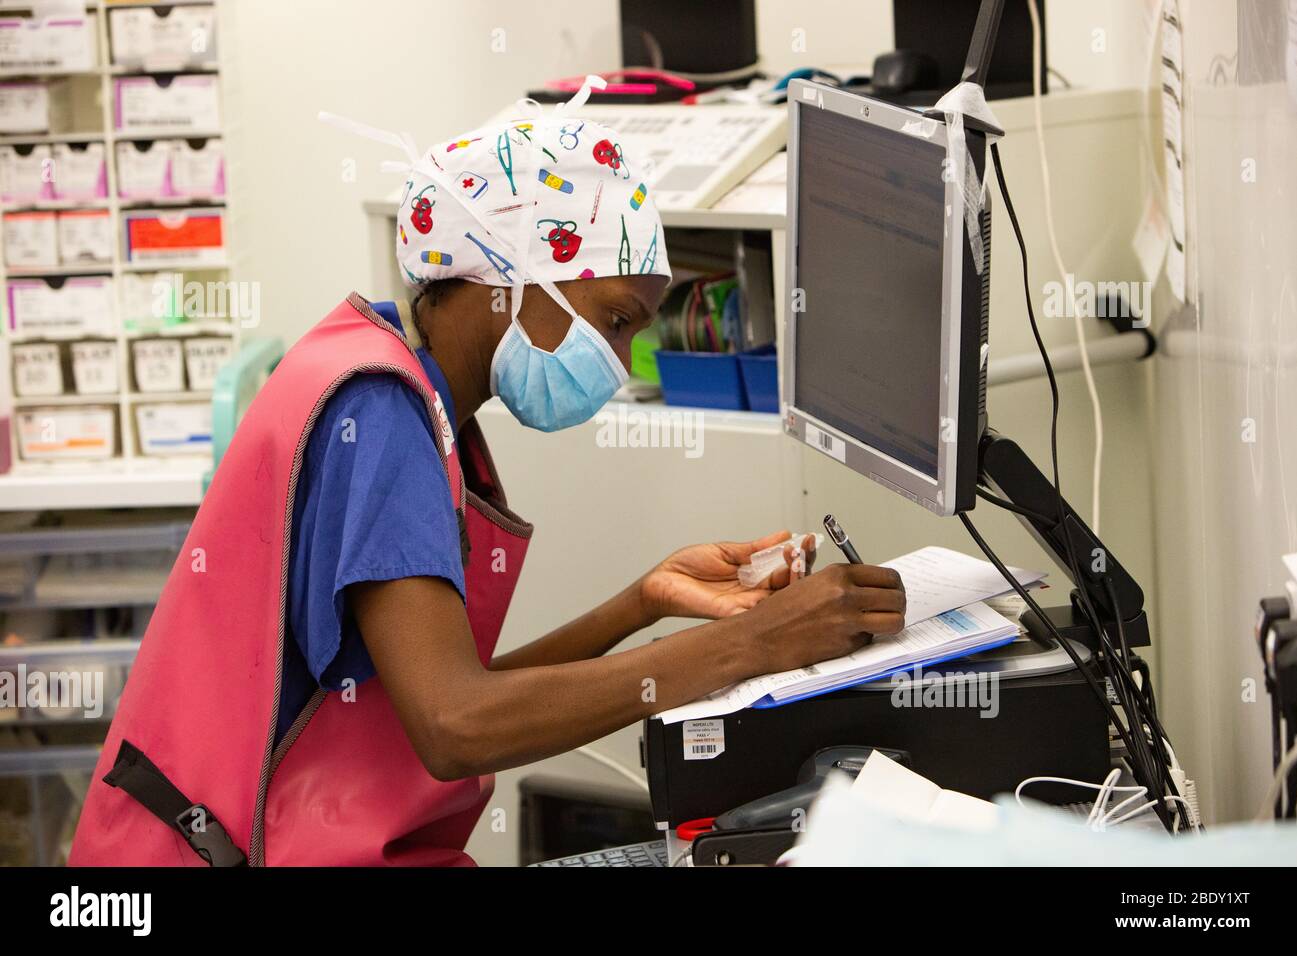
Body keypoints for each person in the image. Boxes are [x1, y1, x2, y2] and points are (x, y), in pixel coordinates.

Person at [70, 80, 906, 866]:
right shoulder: (382, 415)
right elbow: (455, 729)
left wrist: (643, 600)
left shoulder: (405, 387)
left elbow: (443, 700)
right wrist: (755, 643)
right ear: (509, 267)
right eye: (615, 321)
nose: (617, 362)